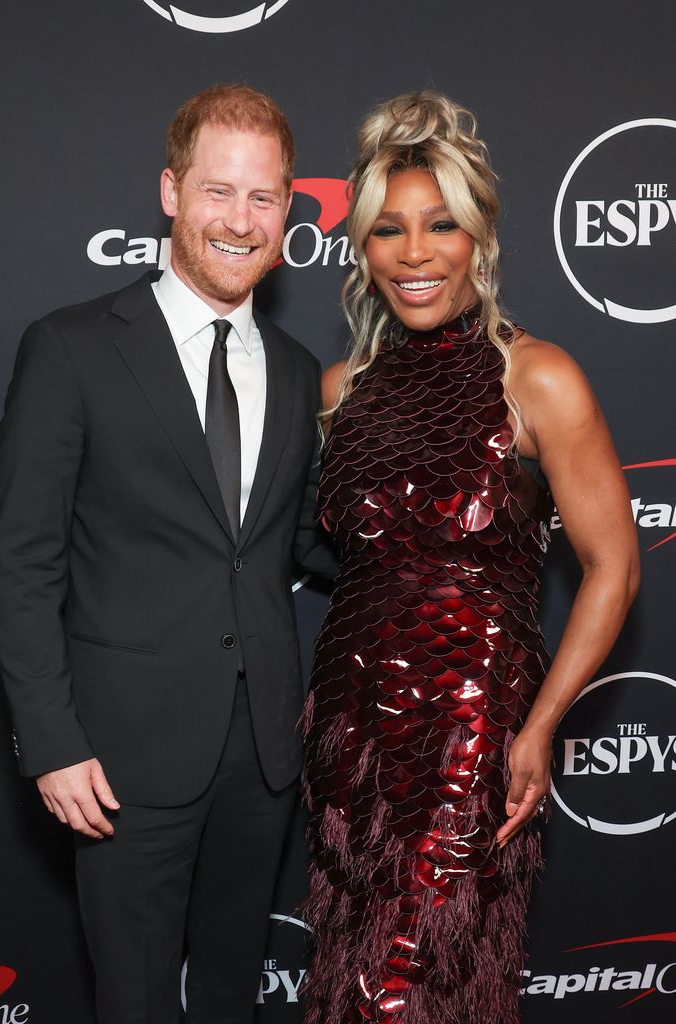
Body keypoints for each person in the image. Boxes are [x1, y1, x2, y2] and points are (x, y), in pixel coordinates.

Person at [0, 83, 335, 1024]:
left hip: (263, 752)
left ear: (289, 212)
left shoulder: (303, 373)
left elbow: (305, 544)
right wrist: (52, 742)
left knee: (229, 992)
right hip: (120, 758)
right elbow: (22, 562)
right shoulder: (70, 349)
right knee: (134, 998)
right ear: (171, 192)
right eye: (218, 192)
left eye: (263, 198)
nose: (240, 220)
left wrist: (438, 543)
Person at [301, 90, 639, 1024]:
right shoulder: (337, 392)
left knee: (416, 982)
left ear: (478, 238)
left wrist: (538, 726)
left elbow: (613, 567)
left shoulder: (537, 377)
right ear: (361, 247)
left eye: (440, 225)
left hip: (470, 728)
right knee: (347, 968)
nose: (414, 254)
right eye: (388, 231)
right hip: (348, 730)